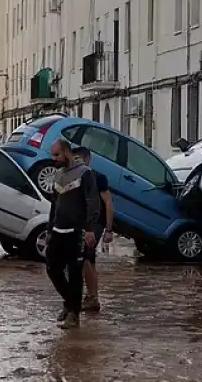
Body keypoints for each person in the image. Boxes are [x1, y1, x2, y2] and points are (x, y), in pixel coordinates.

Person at [45, 139, 100, 329]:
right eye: (52, 155)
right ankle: (70, 303)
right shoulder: (58, 175)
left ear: (67, 152)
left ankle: (74, 315)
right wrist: (49, 230)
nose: (54, 159)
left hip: (77, 231)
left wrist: (90, 229)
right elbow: (54, 205)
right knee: (52, 268)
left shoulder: (85, 173)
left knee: (76, 272)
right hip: (58, 230)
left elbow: (92, 202)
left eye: (57, 155)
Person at [72, 146, 114, 313]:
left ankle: (92, 298)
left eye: (79, 160)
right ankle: (91, 297)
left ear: (87, 160)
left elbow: (108, 203)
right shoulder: (73, 177)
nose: (76, 163)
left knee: (85, 258)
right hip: (81, 223)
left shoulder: (98, 177)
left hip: (95, 224)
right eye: (74, 160)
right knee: (88, 260)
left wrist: (109, 229)